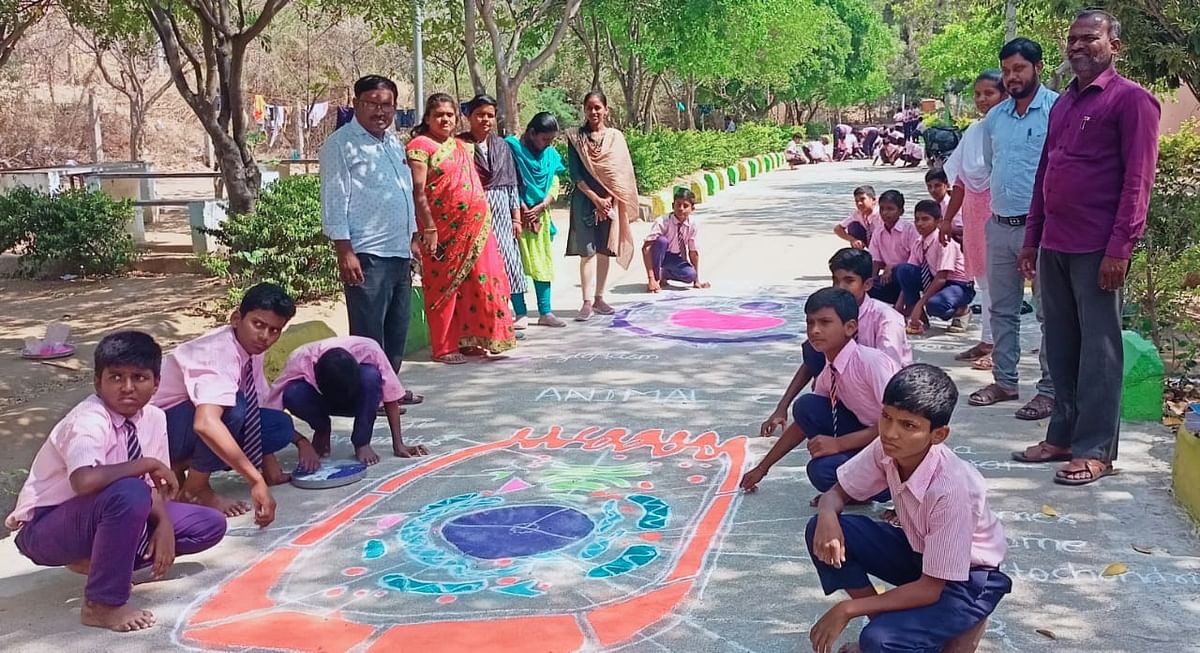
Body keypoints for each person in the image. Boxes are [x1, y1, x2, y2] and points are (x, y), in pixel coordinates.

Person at [1014, 10, 1160, 486]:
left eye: (1089, 39)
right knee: (1060, 346)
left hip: (1099, 249)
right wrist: (1032, 239)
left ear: (1113, 46)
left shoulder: (1132, 102)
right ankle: (1062, 436)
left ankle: (1096, 449)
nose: (1077, 46)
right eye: (1071, 39)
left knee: (1099, 352)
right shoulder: (1062, 104)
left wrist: (1121, 248)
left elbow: (1138, 181)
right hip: (1054, 244)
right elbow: (1045, 175)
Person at [6, 331, 226, 632]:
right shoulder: (88, 420)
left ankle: (102, 563)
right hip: (48, 527)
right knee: (129, 490)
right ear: (98, 382)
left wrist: (163, 524)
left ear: (156, 383)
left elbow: (155, 487)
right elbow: (84, 481)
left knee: (209, 524)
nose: (127, 388)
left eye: (139, 377)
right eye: (116, 378)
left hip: (110, 511)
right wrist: (145, 463)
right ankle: (102, 604)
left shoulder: (154, 417)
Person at [805, 364, 1011, 653]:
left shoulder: (952, 489)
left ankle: (953, 623)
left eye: (908, 425)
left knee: (878, 641)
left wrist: (848, 608)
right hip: (920, 553)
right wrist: (827, 513)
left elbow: (931, 588)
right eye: (886, 417)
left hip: (967, 579)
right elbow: (836, 492)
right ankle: (895, 627)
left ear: (938, 435)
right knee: (820, 530)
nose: (890, 433)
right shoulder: (887, 448)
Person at [153, 283, 308, 525]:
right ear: (237, 318)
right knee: (233, 407)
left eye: (274, 330)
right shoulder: (218, 351)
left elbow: (256, 410)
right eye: (258, 324)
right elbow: (205, 423)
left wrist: (276, 464)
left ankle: (183, 467)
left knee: (279, 426)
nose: (265, 336)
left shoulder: (252, 350)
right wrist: (254, 480)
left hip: (183, 425)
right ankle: (196, 489)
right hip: (158, 432)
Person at [320, 75, 424, 410]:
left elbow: (405, 193)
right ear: (356, 104)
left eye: (387, 104)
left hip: (398, 250)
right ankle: (371, 394)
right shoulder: (340, 144)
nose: (380, 111)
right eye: (372, 103)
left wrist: (413, 238)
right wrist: (344, 250)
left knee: (396, 330)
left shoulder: (393, 143)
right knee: (368, 332)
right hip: (366, 251)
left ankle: (389, 387)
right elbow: (335, 198)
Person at [741, 288, 900, 504]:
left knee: (829, 465)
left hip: (897, 447)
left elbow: (898, 425)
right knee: (819, 460)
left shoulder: (872, 363)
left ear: (850, 327)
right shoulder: (830, 370)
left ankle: (890, 488)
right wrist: (762, 467)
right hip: (870, 440)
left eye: (825, 322)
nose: (815, 330)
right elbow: (802, 424)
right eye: (810, 323)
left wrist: (840, 444)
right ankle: (854, 489)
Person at [969, 37, 1057, 421]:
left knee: (1048, 313)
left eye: (1019, 69)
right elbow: (992, 165)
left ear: (1038, 67)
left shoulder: (1057, 110)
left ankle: (1050, 391)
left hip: (1041, 229)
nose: (1011, 77)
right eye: (1006, 70)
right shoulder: (995, 118)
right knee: (1002, 309)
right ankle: (1005, 381)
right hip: (999, 225)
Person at [407, 93, 518, 364]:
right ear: (428, 118)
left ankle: (471, 340)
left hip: (477, 230)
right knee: (444, 287)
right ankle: (444, 347)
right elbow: (418, 191)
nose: (445, 119)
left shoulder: (461, 146)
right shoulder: (420, 146)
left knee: (480, 283)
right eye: (439, 115)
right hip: (442, 232)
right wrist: (429, 228)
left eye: (450, 115)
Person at [760, 249, 912, 440]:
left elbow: (890, 378)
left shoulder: (886, 320)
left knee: (828, 462)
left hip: (883, 400)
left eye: (849, 281)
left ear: (867, 284)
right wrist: (781, 408)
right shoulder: (833, 315)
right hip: (851, 391)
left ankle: (858, 443)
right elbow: (809, 364)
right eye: (835, 280)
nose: (840, 287)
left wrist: (841, 444)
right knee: (811, 359)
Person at [267, 337, 432, 465]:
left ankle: (362, 442)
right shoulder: (300, 360)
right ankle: (322, 429)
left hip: (358, 402)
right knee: (292, 392)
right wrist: (301, 442)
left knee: (371, 376)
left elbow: (391, 397)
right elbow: (269, 412)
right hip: (322, 402)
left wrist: (399, 444)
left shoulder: (370, 349)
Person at [941, 70, 1009, 371]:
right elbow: (959, 180)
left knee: (1002, 284)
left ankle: (1003, 349)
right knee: (984, 281)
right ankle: (987, 340)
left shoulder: (1011, 131)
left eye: (989, 94)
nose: (982, 99)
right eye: (978, 94)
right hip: (973, 213)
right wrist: (947, 220)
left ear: (1004, 95)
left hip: (1001, 213)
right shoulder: (973, 132)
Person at [566, 91, 638, 321]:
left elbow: (620, 174)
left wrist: (608, 200)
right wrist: (596, 200)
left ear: (606, 109)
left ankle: (599, 298)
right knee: (587, 252)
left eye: (598, 107)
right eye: (589, 107)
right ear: (584, 110)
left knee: (605, 250)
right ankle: (586, 302)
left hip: (610, 202)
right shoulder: (575, 138)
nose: (594, 112)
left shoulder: (615, 138)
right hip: (584, 201)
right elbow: (576, 175)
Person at [461, 95, 530, 333]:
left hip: (502, 208)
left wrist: (516, 218)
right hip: (473, 211)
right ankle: (488, 316)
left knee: (510, 260)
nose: (485, 120)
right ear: (468, 116)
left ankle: (520, 312)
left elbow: (511, 184)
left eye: (490, 115)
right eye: (480, 114)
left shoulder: (502, 146)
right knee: (482, 266)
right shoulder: (460, 145)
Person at [506, 112, 568, 328]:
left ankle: (545, 312)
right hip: (515, 216)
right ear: (532, 133)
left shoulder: (549, 155)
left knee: (542, 264)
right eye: (544, 139)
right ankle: (520, 313)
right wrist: (522, 207)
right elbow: (508, 179)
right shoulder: (512, 148)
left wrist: (542, 205)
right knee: (515, 265)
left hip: (540, 216)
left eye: (551, 140)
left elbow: (555, 181)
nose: (547, 144)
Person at [894, 200, 976, 336]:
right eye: (917, 219)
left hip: (959, 284)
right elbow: (909, 275)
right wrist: (899, 306)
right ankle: (919, 319)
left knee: (935, 305)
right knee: (903, 270)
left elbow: (941, 278)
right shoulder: (918, 243)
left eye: (925, 219)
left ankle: (962, 310)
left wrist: (921, 304)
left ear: (939, 221)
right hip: (934, 278)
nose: (920, 223)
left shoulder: (944, 242)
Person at [643, 187, 710, 292]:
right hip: (658, 254)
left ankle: (664, 273)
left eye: (686, 206)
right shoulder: (663, 221)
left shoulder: (693, 224)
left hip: (674, 258)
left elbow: (693, 252)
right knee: (662, 241)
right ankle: (656, 279)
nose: (681, 208)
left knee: (690, 275)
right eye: (678, 204)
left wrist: (696, 280)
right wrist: (650, 278)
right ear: (672, 206)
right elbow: (646, 248)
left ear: (692, 209)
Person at [867, 190, 917, 304]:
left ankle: (908, 306)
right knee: (866, 286)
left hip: (908, 275)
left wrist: (893, 267)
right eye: (882, 208)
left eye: (890, 209)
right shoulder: (878, 232)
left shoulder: (909, 230)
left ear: (901, 211)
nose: (885, 213)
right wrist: (871, 280)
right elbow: (875, 260)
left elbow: (917, 259)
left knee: (902, 271)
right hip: (888, 278)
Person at [924, 167, 959, 238]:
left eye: (937, 186)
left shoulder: (951, 205)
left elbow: (962, 229)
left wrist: (939, 226)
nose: (933, 190)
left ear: (947, 185)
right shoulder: (933, 205)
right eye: (929, 186)